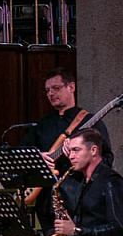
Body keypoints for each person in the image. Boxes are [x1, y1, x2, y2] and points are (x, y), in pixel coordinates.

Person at [22, 68, 113, 198]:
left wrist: (80, 157)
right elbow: (21, 152)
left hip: (79, 195)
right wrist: (38, 157)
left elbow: (106, 159)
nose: (51, 94)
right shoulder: (41, 125)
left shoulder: (91, 121)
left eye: (56, 88)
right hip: (46, 198)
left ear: (71, 87)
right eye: (48, 90)